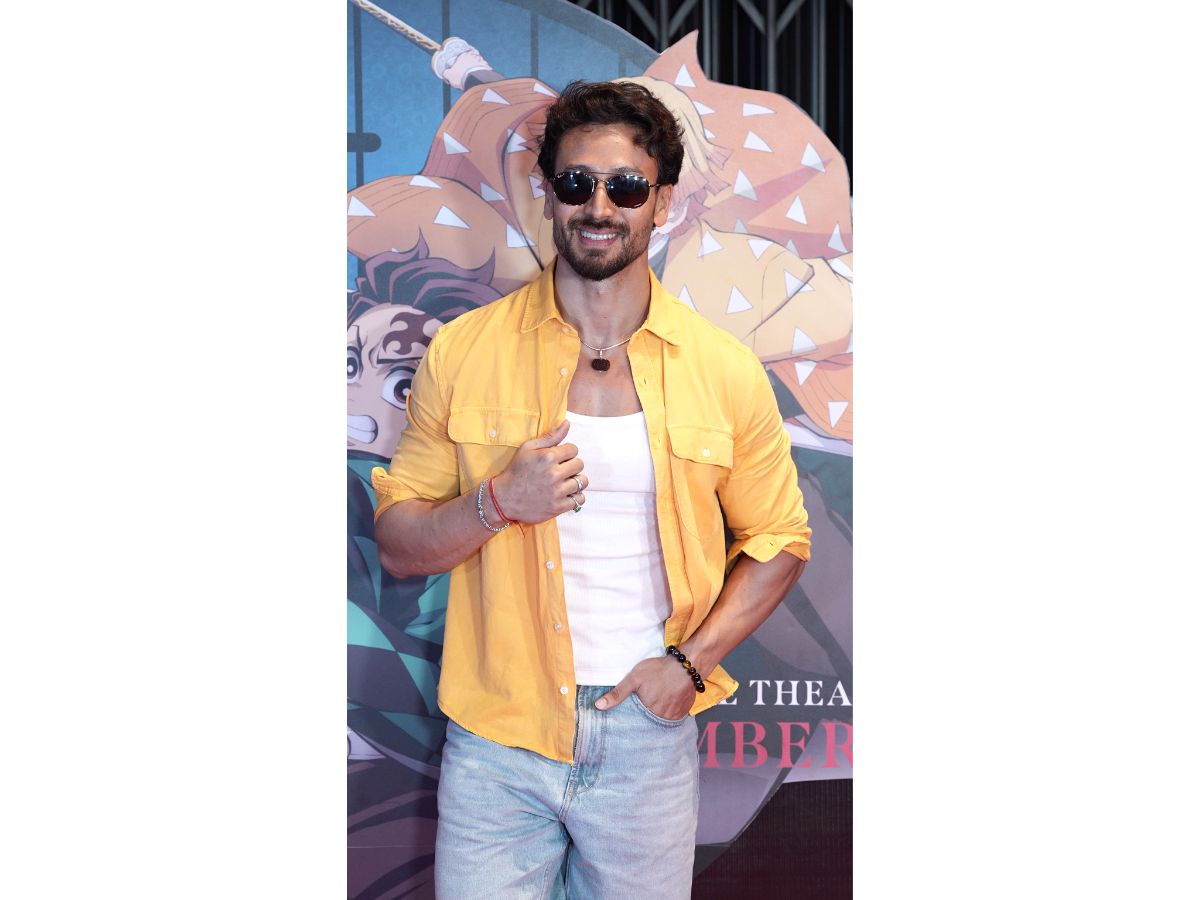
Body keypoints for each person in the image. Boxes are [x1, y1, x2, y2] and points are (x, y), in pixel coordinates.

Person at [371, 80, 812, 899]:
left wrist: (688, 666)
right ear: (548, 192)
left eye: (626, 187)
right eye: (576, 182)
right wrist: (496, 503)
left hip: (646, 730)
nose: (599, 206)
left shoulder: (722, 370)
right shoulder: (464, 352)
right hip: (497, 734)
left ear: (663, 202)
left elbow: (782, 538)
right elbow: (399, 544)